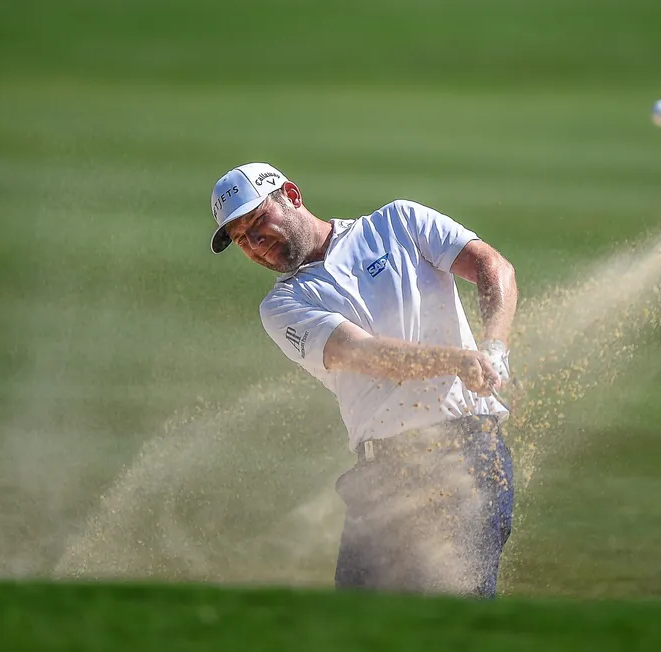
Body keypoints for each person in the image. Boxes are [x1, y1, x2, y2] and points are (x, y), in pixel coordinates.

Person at [208, 162, 519, 598]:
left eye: (259, 221)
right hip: (381, 474)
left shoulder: (398, 222)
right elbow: (366, 355)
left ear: (291, 196)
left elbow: (491, 265)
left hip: (465, 456)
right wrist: (459, 361)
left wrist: (495, 348)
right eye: (242, 239)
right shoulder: (282, 305)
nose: (256, 243)